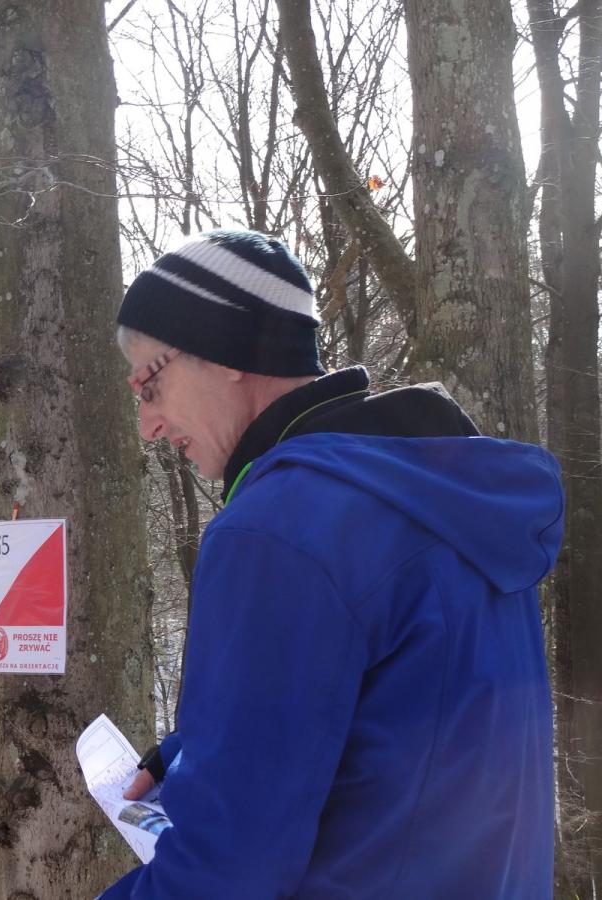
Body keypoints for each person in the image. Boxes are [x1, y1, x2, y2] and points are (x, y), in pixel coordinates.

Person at [101, 229, 563, 898]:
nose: (148, 425)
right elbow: (411, 727)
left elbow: (228, 868)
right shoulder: (443, 498)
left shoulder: (276, 530)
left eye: (149, 384)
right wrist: (201, 749)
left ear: (223, 350)